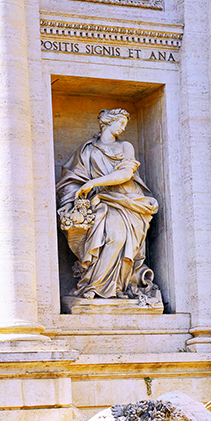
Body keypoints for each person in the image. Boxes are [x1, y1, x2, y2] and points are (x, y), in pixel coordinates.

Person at [56, 109, 159, 301]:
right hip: (101, 201)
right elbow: (72, 178)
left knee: (120, 238)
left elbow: (126, 174)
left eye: (125, 125)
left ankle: (118, 286)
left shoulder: (126, 146)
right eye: (119, 123)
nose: (122, 128)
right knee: (112, 237)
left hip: (128, 200)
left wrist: (93, 183)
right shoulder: (87, 150)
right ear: (106, 123)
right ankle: (95, 284)